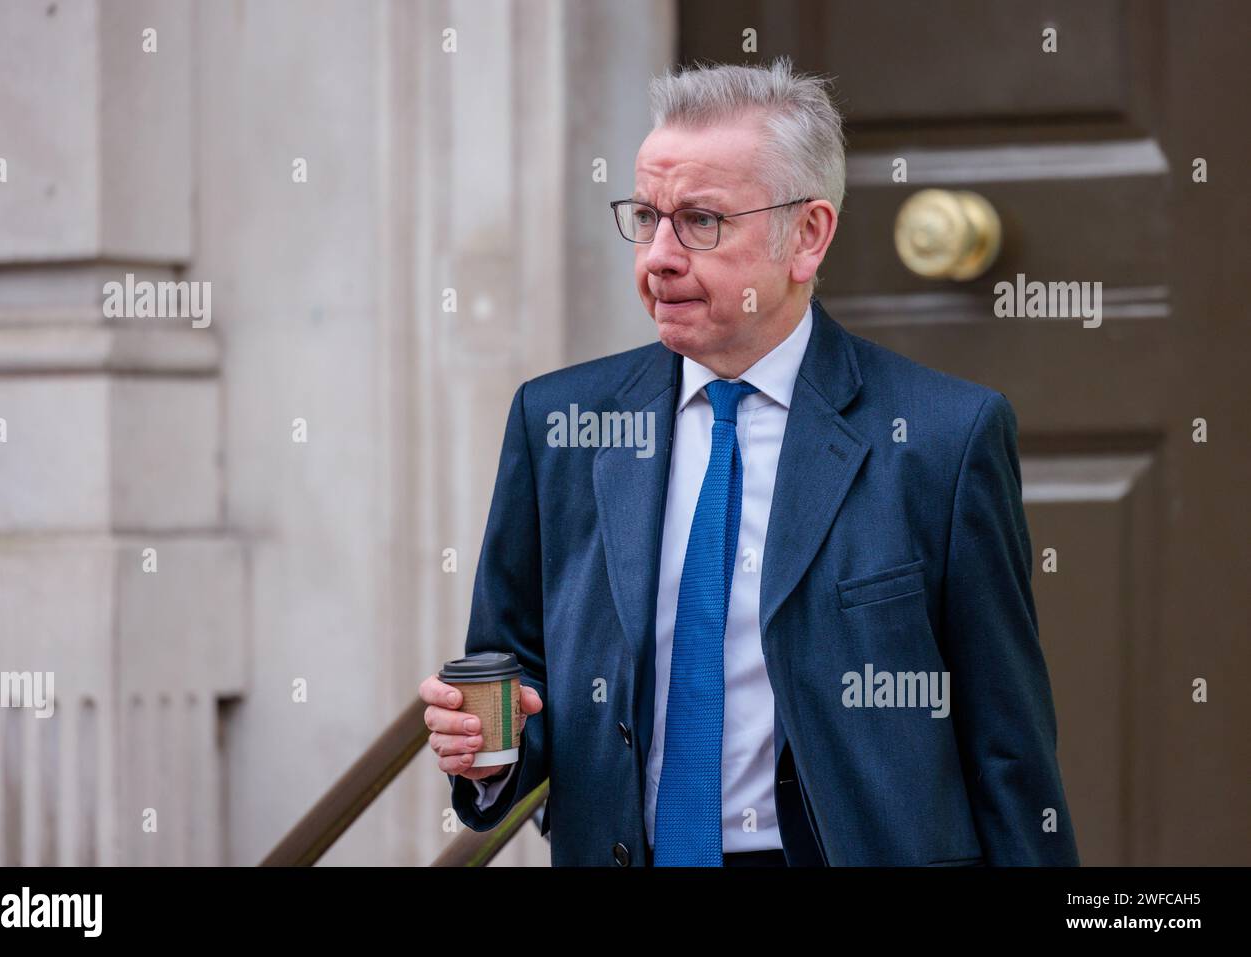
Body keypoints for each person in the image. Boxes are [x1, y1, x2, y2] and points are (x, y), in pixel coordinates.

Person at [419, 56, 1079, 867]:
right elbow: (513, 677)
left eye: (700, 221)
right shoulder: (558, 423)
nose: (658, 256)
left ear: (807, 236)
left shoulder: (945, 435)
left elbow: (1007, 740)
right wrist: (489, 750)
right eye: (647, 216)